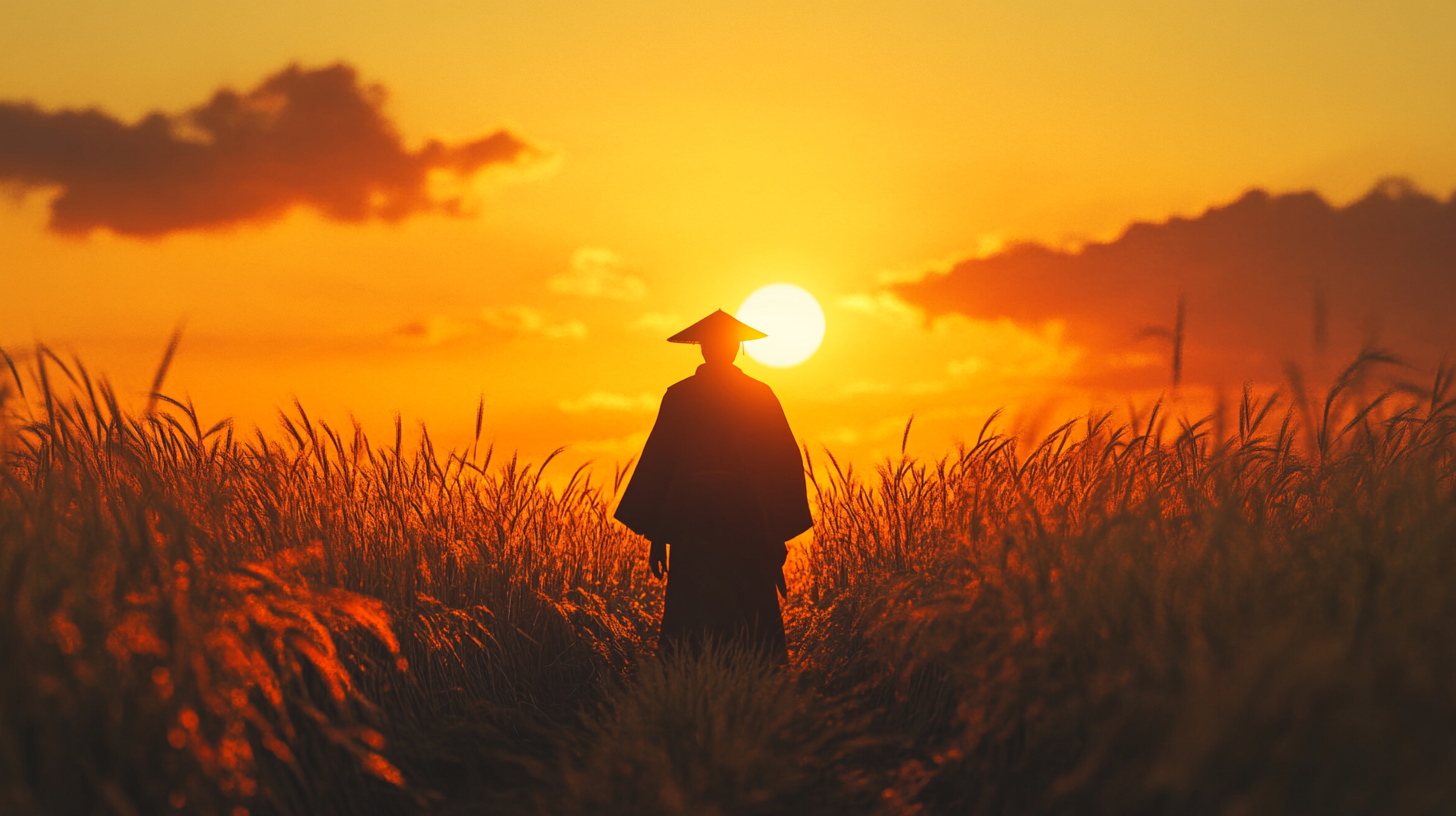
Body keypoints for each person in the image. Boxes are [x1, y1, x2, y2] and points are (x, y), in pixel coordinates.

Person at [614, 309, 813, 664]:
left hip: (709, 521)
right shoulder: (752, 394)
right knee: (743, 611)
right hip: (734, 520)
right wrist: (775, 528)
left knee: (699, 612)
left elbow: (660, 466)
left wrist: (660, 533)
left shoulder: (685, 395)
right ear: (711, 349)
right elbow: (781, 464)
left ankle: (705, 688)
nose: (721, 349)